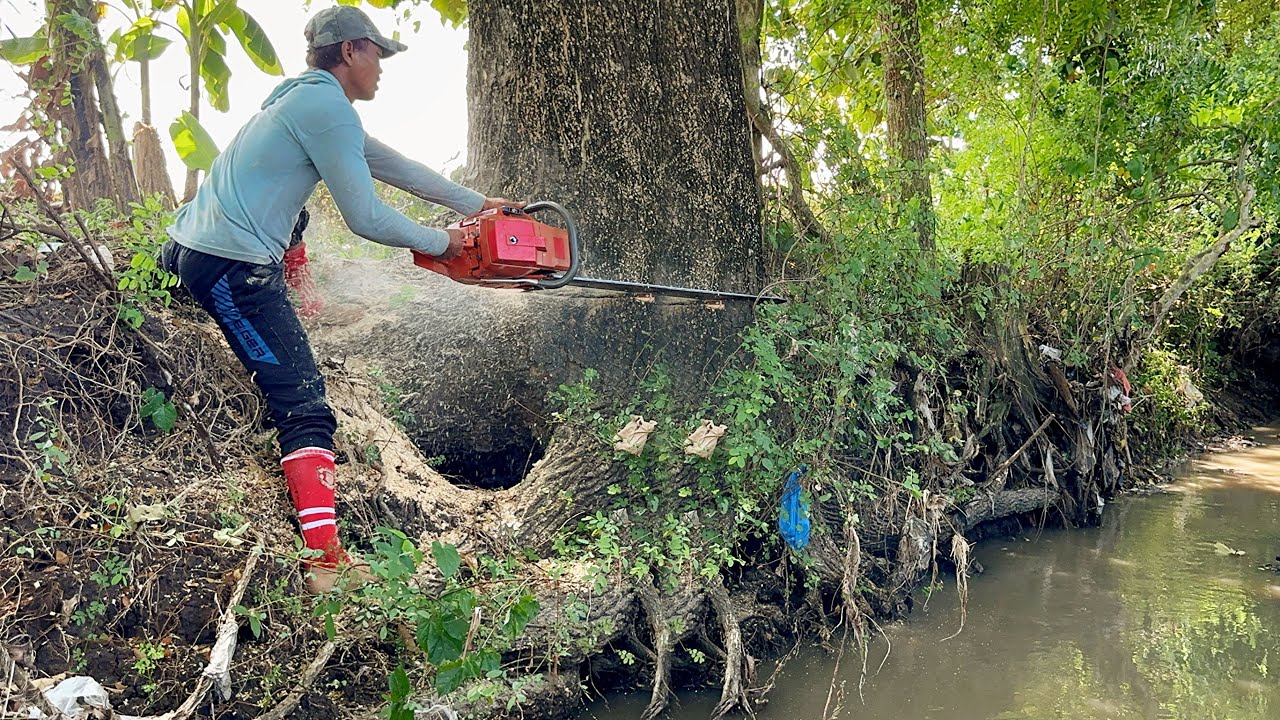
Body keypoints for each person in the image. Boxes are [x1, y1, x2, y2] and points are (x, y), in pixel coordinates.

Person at [160, 5, 518, 593]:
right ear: (350, 51)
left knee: (293, 213)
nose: (382, 66)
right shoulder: (324, 108)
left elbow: (391, 166)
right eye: (377, 52)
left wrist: (478, 205)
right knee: (302, 402)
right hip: (230, 267)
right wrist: (445, 243)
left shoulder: (306, 103)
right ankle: (325, 561)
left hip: (188, 244)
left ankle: (304, 302)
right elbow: (365, 216)